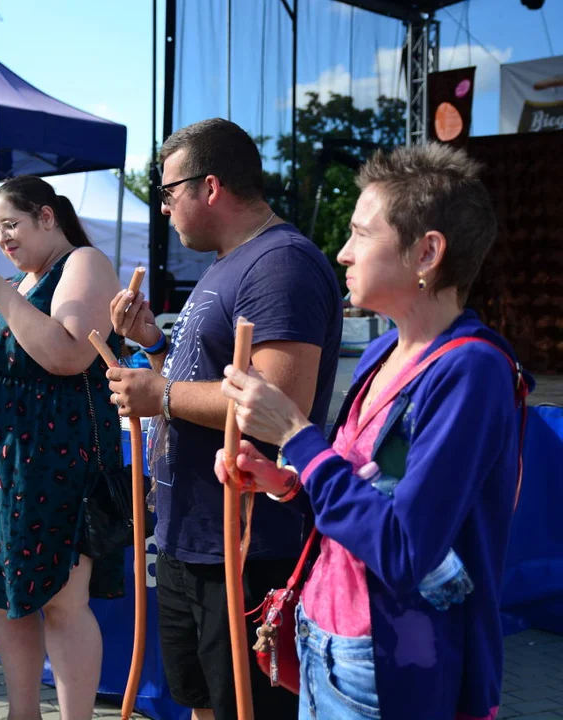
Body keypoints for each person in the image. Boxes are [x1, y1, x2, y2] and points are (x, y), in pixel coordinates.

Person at [219, 143, 530, 720]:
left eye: (361, 234)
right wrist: (285, 480)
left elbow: (404, 548)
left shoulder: (471, 370)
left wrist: (294, 433)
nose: (342, 253)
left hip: (392, 664)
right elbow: (364, 494)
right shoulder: (385, 349)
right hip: (324, 636)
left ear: (427, 253)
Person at [108, 118, 342, 720]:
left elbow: (275, 407)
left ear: (209, 187)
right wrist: (155, 345)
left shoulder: (282, 263)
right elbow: (210, 379)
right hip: (193, 537)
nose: (163, 209)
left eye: (167, 192)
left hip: (247, 543)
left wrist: (158, 394)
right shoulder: (226, 262)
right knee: (201, 703)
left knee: (247, 707)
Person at [0, 176, 124, 720]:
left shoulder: (83, 263)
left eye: (10, 224)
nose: (3, 237)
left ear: (46, 216)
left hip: (61, 460)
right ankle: (22, 713)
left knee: (62, 600)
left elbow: (67, 355)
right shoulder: (20, 281)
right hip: (1, 463)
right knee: (6, 595)